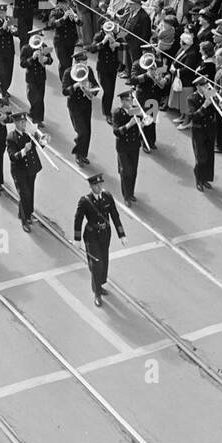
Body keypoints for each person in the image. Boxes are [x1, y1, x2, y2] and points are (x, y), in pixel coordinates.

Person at [74, 174, 126, 307]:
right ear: (91, 186)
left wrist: (121, 234)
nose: (99, 187)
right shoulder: (85, 201)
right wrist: (77, 239)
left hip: (105, 234)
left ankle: (100, 284)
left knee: (104, 261)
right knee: (96, 263)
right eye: (96, 185)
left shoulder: (107, 197)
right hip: (92, 236)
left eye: (100, 184)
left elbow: (115, 215)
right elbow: (78, 219)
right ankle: (97, 292)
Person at [6, 112, 43, 232]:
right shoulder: (11, 137)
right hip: (19, 171)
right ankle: (24, 220)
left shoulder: (28, 134)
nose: (23, 124)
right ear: (16, 123)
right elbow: (12, 156)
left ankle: (28, 213)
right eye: (21, 122)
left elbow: (37, 145)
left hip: (31, 169)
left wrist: (43, 142)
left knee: (30, 192)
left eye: (24, 122)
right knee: (24, 194)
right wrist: (23, 151)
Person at [111, 90, 144, 204]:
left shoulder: (135, 110)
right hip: (123, 146)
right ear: (122, 101)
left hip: (134, 145)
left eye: (131, 99)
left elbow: (142, 123)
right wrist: (129, 125)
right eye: (128, 100)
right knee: (126, 172)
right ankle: (126, 196)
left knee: (133, 171)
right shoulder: (117, 113)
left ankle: (131, 193)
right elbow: (116, 132)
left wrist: (143, 123)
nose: (131, 102)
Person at [63, 54, 94, 167]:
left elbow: (95, 85)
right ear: (76, 62)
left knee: (88, 132)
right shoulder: (68, 72)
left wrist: (90, 88)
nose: (84, 66)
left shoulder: (88, 71)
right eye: (82, 63)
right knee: (82, 132)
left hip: (86, 105)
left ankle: (83, 155)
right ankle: (77, 154)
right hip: (74, 106)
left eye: (86, 63)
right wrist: (76, 86)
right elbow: (64, 91)